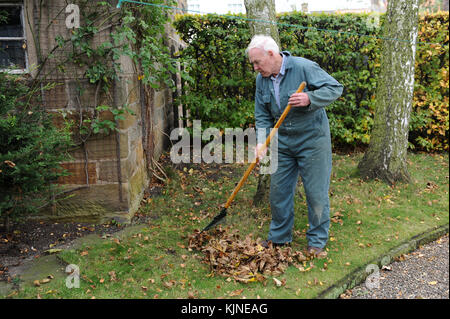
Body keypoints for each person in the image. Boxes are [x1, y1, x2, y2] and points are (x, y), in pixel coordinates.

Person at [246, 35, 343, 258]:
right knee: (278, 192)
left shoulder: (303, 67)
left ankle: (317, 241)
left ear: (271, 55)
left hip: (312, 141)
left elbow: (335, 88)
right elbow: (262, 114)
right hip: (282, 143)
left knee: (316, 193)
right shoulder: (262, 80)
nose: (255, 67)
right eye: (253, 63)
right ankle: (279, 237)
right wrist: (262, 142)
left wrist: (310, 98)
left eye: (257, 62)